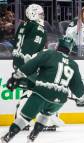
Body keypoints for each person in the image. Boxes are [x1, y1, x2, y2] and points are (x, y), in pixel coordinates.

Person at [1, 36, 84, 143]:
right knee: (45, 115)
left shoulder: (49, 54)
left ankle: (7, 137)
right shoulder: (73, 64)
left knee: (25, 118)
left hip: (41, 94)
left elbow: (31, 65)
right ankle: (32, 136)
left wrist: (15, 76)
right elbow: (77, 86)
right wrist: (81, 99)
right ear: (69, 49)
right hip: (59, 100)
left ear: (58, 45)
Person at [11, 3, 62, 131]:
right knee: (42, 90)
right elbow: (30, 50)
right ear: (33, 14)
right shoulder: (37, 28)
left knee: (29, 89)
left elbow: (19, 46)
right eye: (40, 14)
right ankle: (44, 120)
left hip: (18, 61)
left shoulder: (23, 25)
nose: (42, 16)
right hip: (27, 62)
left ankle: (21, 119)